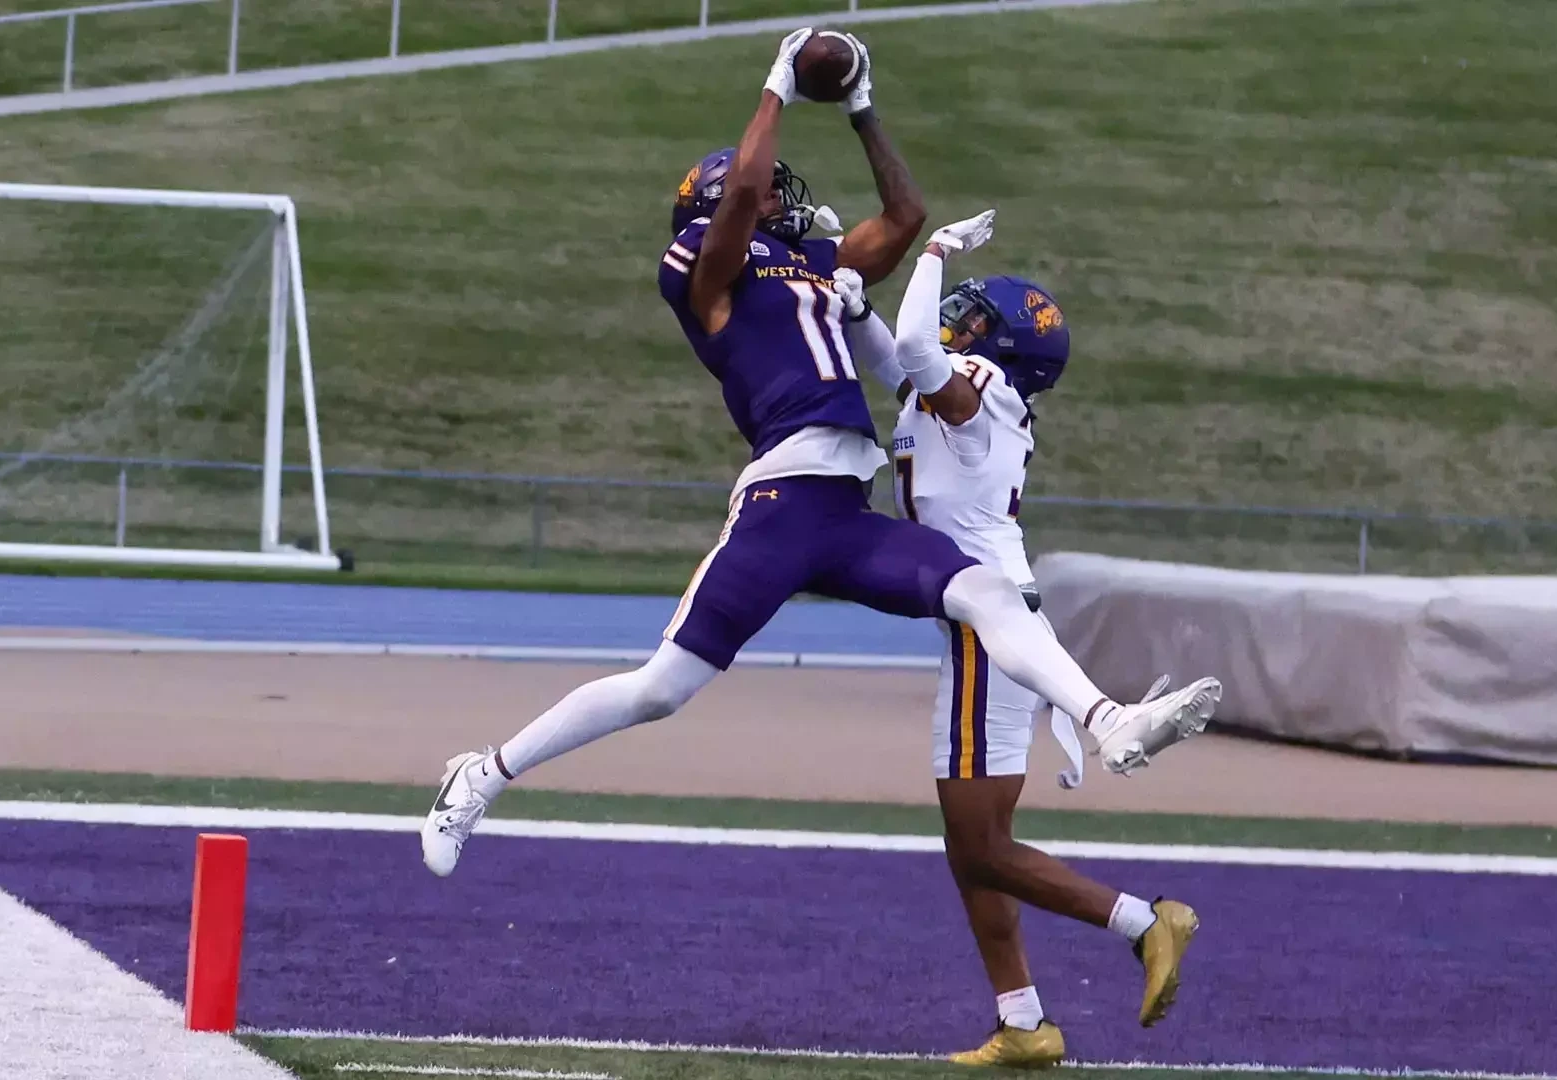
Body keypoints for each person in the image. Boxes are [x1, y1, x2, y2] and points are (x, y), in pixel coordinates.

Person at [421, 29, 1221, 935]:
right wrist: (777, 85)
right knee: (660, 691)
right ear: (726, 206)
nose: (788, 202)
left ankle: (1109, 719)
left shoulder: (814, 266)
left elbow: (906, 214)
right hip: (780, 501)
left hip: (846, 507)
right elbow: (753, 196)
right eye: (766, 194)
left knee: (989, 594)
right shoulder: (700, 268)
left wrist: (862, 104)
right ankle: (482, 772)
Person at [830, 224, 1207, 1067]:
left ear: (996, 346)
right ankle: (1025, 1021)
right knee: (976, 849)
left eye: (976, 318)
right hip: (995, 620)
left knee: (979, 846)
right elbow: (900, 364)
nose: (960, 325)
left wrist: (928, 257)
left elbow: (922, 346)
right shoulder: (970, 392)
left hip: (985, 629)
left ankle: (1147, 923)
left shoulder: (980, 380)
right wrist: (859, 315)